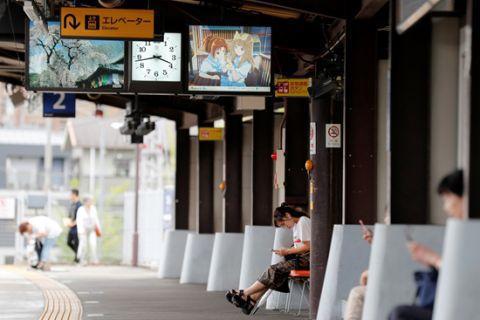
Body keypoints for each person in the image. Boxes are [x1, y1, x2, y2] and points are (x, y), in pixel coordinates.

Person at [389, 169, 464, 320]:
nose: (446, 207)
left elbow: (467, 278)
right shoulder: (463, 232)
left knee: (400, 314)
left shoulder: (470, 233)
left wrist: (434, 260)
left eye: (448, 198)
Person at [226, 203, 311, 315]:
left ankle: (246, 293)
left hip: (308, 261)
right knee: (276, 273)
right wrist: (286, 251)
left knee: (275, 270)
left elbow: (308, 246)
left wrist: (287, 251)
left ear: (287, 215)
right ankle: (251, 300)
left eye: (283, 223)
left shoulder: (303, 221)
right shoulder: (297, 225)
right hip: (302, 260)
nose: (285, 226)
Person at [76, 195, 102, 265]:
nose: (91, 202)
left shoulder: (93, 208)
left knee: (93, 244)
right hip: (83, 230)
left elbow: (96, 219)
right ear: (85, 202)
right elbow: (79, 221)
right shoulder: (81, 210)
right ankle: (81, 259)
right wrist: (81, 230)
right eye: (89, 201)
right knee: (83, 245)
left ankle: (94, 259)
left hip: (92, 229)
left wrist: (98, 229)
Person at [67, 189, 82, 263]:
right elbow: (70, 216)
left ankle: (78, 257)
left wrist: (73, 223)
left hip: (77, 227)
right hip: (71, 227)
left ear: (74, 195)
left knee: (76, 243)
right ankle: (78, 255)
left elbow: (80, 217)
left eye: (71, 195)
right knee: (69, 242)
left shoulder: (80, 205)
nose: (70, 196)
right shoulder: (72, 205)